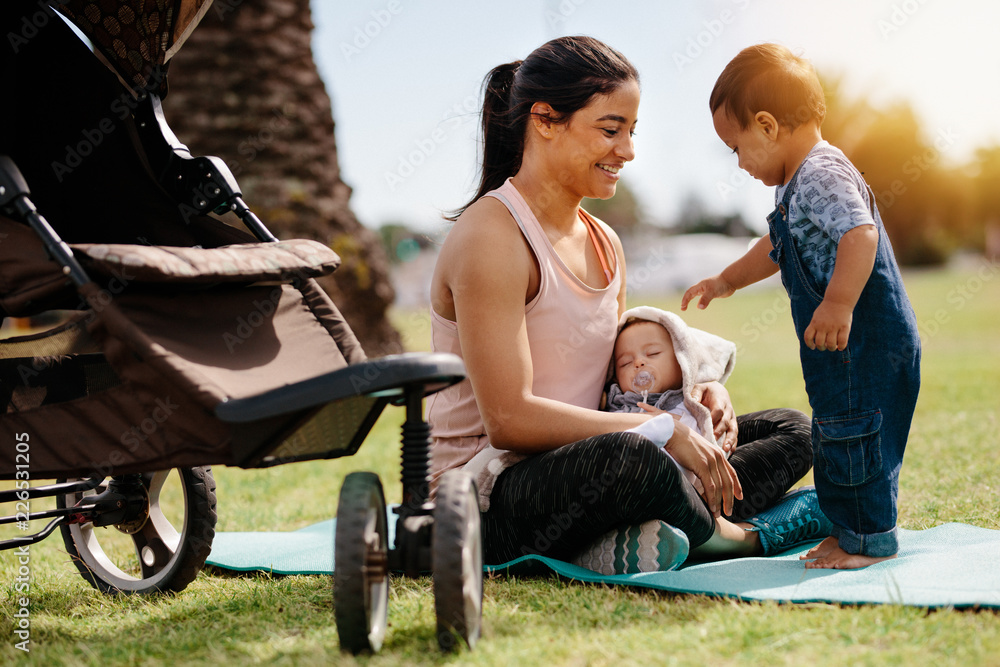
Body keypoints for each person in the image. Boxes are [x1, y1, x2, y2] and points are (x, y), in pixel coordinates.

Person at [428, 35, 827, 573]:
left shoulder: (604, 242)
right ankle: (737, 539)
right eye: (611, 130)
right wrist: (663, 432)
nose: (629, 151)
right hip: (489, 496)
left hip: (589, 460)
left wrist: (694, 393)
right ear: (544, 120)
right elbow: (509, 419)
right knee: (635, 456)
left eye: (632, 131)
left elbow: (615, 379)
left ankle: (632, 536)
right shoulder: (491, 237)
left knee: (792, 429)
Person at [682, 43, 921, 569]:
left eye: (736, 146)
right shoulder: (793, 184)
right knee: (839, 431)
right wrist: (726, 280)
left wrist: (837, 304)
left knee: (855, 435)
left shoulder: (819, 173)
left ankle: (868, 541)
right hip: (841, 348)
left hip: (865, 339)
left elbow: (859, 235)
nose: (739, 162)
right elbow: (775, 247)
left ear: (767, 126)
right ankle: (850, 532)